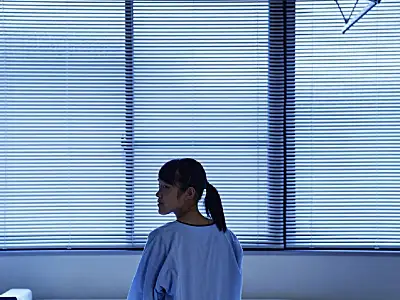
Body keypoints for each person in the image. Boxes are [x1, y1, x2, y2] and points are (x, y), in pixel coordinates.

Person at [127, 158, 243, 300]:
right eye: (159, 186)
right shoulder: (228, 238)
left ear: (189, 193)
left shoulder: (162, 239)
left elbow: (142, 294)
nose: (158, 194)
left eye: (166, 187)